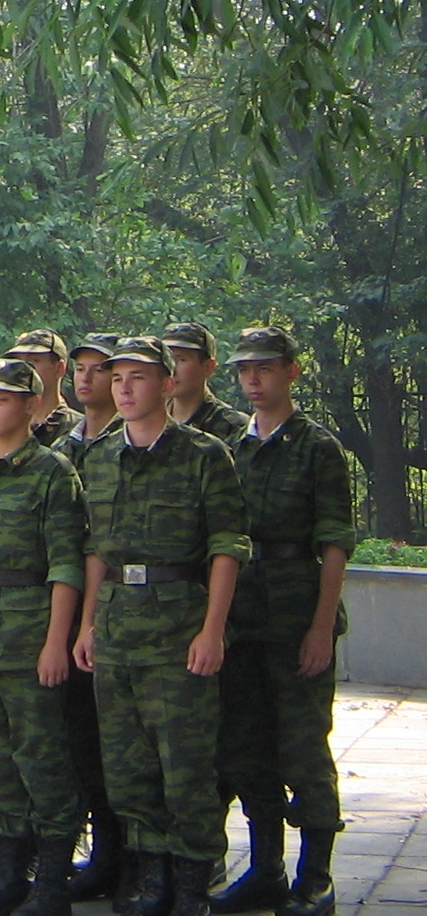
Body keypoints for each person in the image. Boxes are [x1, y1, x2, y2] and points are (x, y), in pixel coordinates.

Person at [73, 337, 249, 916]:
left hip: (179, 624)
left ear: (168, 385)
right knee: (128, 765)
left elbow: (227, 547)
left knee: (187, 766)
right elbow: (96, 548)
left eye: (137, 377)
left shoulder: (203, 455)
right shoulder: (97, 458)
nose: (123, 387)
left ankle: (193, 881)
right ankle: (151, 876)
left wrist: (212, 629)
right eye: (116, 377)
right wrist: (88, 624)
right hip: (119, 626)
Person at [211, 327, 352, 916]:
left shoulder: (317, 447)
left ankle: (315, 875)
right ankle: (265, 866)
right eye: (245, 370)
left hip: (294, 616)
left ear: (292, 372)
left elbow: (336, 542)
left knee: (303, 748)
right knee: (245, 749)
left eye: (265, 368)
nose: (253, 380)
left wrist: (321, 628)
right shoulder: (227, 448)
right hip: (241, 618)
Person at [0, 359, 87, 916]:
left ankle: (52, 880)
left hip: (29, 636)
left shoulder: (52, 472)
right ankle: (8, 872)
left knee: (42, 757)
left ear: (30, 405)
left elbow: (66, 567)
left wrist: (56, 642)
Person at [55, 334, 123, 898]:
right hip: (63, 611)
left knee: (119, 743)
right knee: (76, 740)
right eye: (79, 369)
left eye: (100, 370)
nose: (86, 379)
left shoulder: (133, 444)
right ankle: (88, 850)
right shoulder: (62, 443)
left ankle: (126, 856)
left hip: (118, 614)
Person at [163, 324, 251, 443]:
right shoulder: (148, 419)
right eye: (167, 359)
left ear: (207, 367)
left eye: (181, 359)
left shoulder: (233, 427)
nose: (171, 369)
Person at [5, 331, 83, 447]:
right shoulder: (4, 428)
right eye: (19, 362)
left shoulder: (80, 429)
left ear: (59, 368)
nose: (24, 369)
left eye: (34, 361)